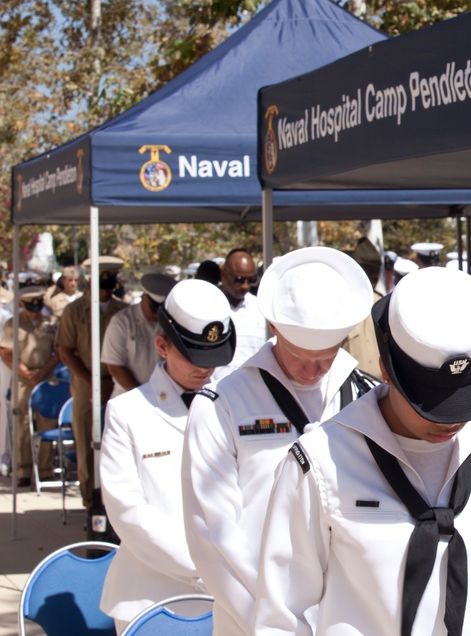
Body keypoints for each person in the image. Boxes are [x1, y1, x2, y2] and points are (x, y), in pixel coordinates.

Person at [254, 267, 471, 635]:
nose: (451, 422)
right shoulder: (320, 462)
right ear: (385, 369)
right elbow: (280, 613)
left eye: (466, 403)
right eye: (428, 403)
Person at [182, 246, 376, 635]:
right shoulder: (223, 405)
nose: (311, 370)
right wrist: (276, 622)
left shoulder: (366, 398)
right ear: (274, 328)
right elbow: (213, 532)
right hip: (251, 617)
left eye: (325, 357)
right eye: (299, 355)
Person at [99, 279, 235, 633]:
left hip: (231, 592)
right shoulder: (127, 412)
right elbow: (127, 510)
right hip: (150, 593)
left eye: (213, 358)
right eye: (193, 357)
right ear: (162, 346)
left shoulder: (235, 406)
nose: (205, 369)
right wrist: (199, 565)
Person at [56, 256, 130, 509]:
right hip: (85, 384)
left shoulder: (124, 310)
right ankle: (90, 502)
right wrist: (92, 382)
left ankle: (117, 501)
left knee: (120, 443)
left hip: (119, 383)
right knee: (86, 444)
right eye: (102, 285)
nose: (106, 291)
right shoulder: (73, 311)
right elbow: (66, 351)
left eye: (110, 285)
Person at [0, 287, 60, 488]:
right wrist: (25, 372)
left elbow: (59, 351)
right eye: (30, 308)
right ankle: (23, 471)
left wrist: (42, 372)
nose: (35, 312)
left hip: (46, 377)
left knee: (47, 422)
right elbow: (6, 352)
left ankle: (45, 469)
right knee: (22, 424)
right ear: (22, 305)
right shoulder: (13, 324)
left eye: (37, 308)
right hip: (22, 378)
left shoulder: (51, 323)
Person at [102, 273, 177, 399]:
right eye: (154, 309)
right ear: (144, 297)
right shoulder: (121, 321)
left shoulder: (170, 323)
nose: (156, 315)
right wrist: (144, 395)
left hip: (165, 398)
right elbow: (115, 366)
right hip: (128, 397)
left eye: (161, 312)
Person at [211, 248, 267, 382]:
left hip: (253, 391)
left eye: (252, 280)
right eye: (239, 280)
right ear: (223, 273)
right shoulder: (207, 305)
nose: (245, 286)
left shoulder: (262, 309)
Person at [341, 237, 384, 378]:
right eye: (368, 277)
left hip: (381, 389)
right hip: (350, 389)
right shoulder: (341, 307)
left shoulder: (385, 307)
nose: (372, 284)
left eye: (374, 278)